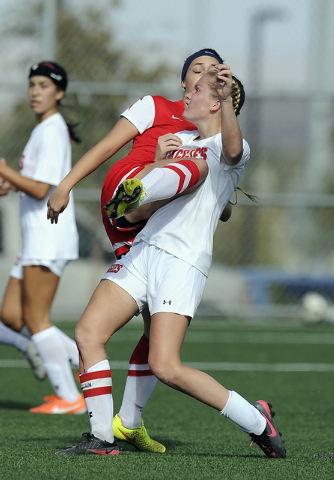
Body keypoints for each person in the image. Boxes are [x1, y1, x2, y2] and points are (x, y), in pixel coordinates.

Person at [54, 66, 286, 458]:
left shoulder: (232, 150)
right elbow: (137, 212)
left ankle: (258, 420)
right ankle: (101, 438)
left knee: (166, 366)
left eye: (197, 90)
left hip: (182, 261)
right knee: (88, 333)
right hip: (144, 249)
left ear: (217, 102)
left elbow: (227, 152)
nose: (188, 95)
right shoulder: (180, 140)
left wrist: (226, 102)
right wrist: (149, 171)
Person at [0, 61, 85, 414]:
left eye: (44, 85)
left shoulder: (51, 129)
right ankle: (87, 362)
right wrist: (9, 182)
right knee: (10, 314)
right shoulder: (43, 129)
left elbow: (42, 189)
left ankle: (70, 397)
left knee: (37, 320)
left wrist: (4, 170)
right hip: (35, 237)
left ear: (59, 93)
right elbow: (33, 184)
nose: (36, 91)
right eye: (32, 84)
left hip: (49, 235)